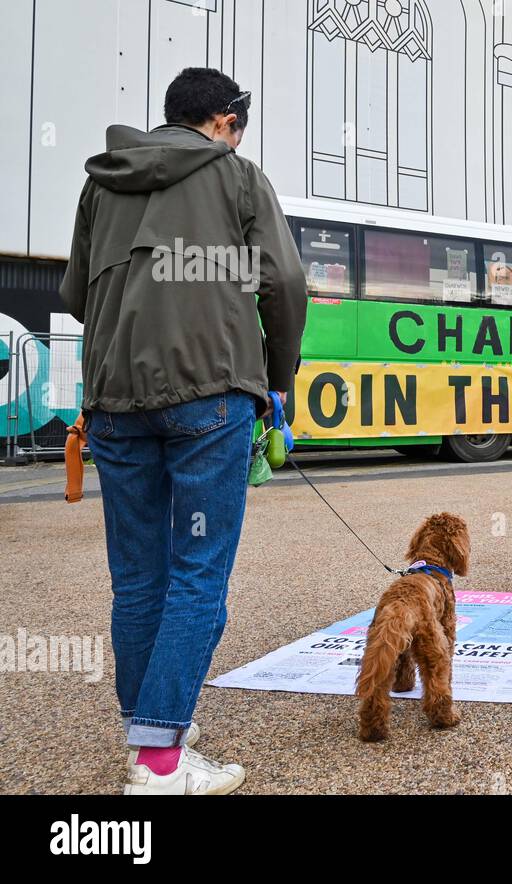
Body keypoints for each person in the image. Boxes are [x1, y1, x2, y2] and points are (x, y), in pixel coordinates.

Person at [59, 68, 307, 795]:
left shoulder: (99, 184)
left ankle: (151, 722)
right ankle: (160, 762)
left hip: (115, 399)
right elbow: (284, 284)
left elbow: (76, 294)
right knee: (199, 574)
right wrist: (280, 378)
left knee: (137, 577)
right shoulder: (238, 177)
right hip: (211, 396)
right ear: (226, 119)